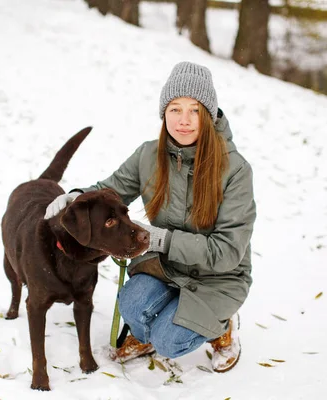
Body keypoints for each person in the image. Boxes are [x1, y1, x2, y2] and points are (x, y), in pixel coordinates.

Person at [44, 61, 256, 373]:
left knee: (170, 341)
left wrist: (162, 239)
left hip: (219, 278)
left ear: (208, 115)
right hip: (165, 266)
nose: (183, 120)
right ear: (163, 113)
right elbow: (109, 190)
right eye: (174, 109)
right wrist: (76, 196)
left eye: (194, 110)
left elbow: (226, 253)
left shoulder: (235, 170)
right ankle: (146, 336)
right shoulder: (148, 155)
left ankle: (221, 326)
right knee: (130, 303)